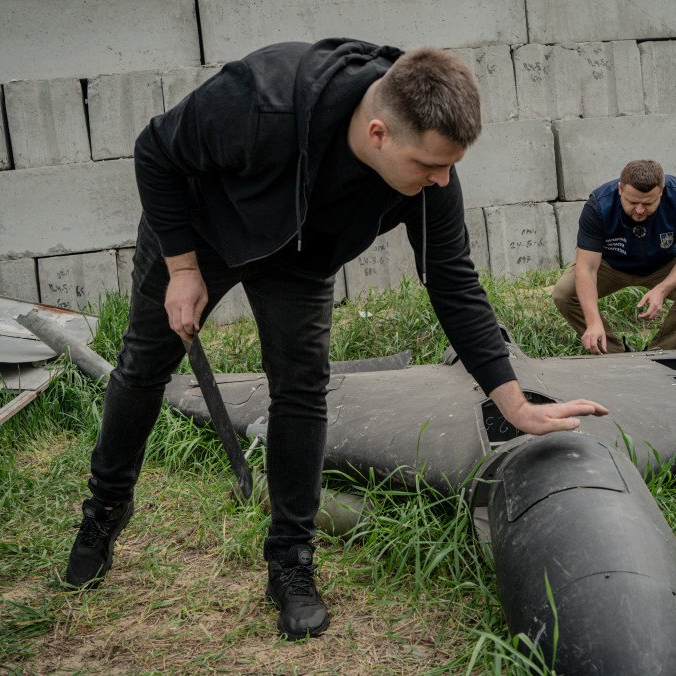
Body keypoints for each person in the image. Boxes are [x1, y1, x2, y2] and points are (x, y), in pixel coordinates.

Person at [63, 39, 608, 641]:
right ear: (379, 134)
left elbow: (452, 283)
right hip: (202, 231)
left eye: (450, 165)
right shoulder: (261, 101)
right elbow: (156, 151)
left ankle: (290, 561)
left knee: (301, 389)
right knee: (143, 366)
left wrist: (514, 402)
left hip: (300, 257)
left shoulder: (431, 178)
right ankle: (104, 510)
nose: (443, 178)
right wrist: (183, 269)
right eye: (429, 165)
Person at [552, 159, 676, 354]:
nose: (639, 210)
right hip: (610, 265)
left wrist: (662, 290)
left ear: (661, 191)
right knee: (564, 294)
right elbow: (587, 268)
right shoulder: (598, 205)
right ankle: (614, 354)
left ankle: (658, 354)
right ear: (620, 189)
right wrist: (593, 322)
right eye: (632, 202)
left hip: (664, 265)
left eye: (648, 203)